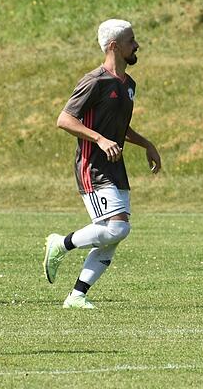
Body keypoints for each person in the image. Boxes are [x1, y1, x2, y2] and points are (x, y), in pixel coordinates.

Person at [43, 19, 161, 309]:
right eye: (131, 40)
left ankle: (77, 296)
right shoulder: (94, 81)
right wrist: (99, 139)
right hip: (92, 166)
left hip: (115, 166)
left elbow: (121, 127)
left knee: (112, 236)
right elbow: (65, 120)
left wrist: (147, 144)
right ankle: (61, 243)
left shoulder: (128, 85)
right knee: (118, 228)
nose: (137, 45)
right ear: (114, 46)